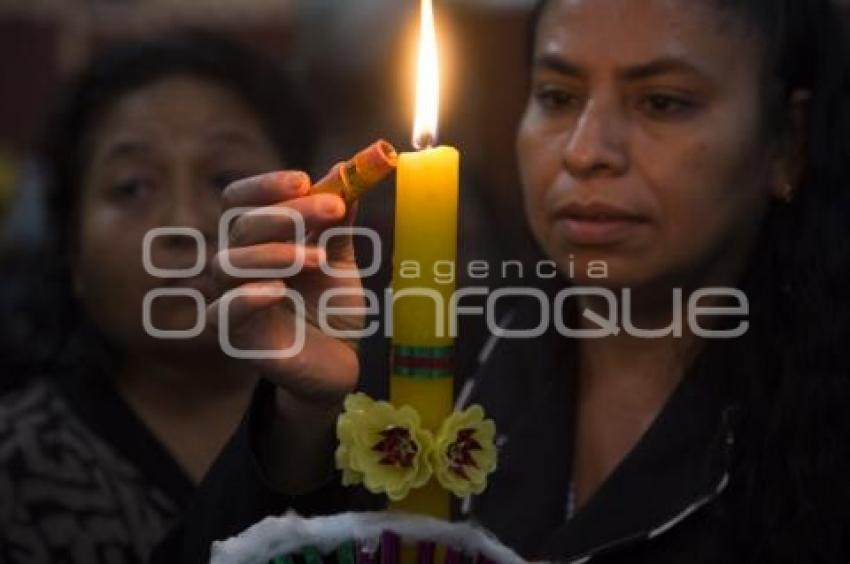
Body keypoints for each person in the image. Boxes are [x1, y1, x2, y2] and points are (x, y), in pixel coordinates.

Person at [156, 0, 850, 562]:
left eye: (662, 103)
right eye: (556, 95)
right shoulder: (437, 352)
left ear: (786, 141)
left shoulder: (816, 411)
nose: (585, 152)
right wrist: (302, 420)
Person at [0, 31, 319, 564]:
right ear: (72, 251)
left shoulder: (385, 439)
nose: (185, 225)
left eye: (225, 179)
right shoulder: (15, 470)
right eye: (132, 187)